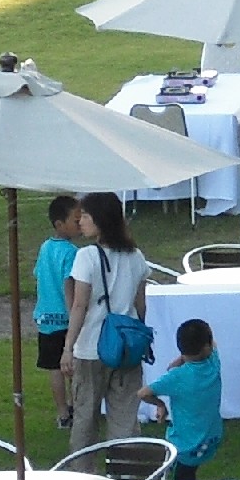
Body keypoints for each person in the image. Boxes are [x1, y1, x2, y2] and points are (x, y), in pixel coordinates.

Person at [62, 191, 150, 448]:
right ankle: (124, 466)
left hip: (91, 346)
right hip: (126, 347)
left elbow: (80, 305)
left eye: (85, 216)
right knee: (125, 418)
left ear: (100, 220)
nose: (80, 221)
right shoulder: (136, 256)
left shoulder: (86, 256)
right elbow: (141, 305)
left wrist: (68, 347)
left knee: (85, 418)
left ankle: (82, 469)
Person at [143, 319, 223, 480]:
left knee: (177, 477)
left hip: (183, 444)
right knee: (186, 475)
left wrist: (160, 404)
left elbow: (143, 393)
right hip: (209, 438)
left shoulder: (176, 377)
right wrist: (183, 358)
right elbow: (213, 344)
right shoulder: (213, 364)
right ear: (206, 347)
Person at [35, 194, 85, 434]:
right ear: (59, 224)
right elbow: (69, 286)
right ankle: (77, 407)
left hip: (45, 318)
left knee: (54, 367)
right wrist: (74, 314)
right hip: (65, 319)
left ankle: (62, 413)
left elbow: (38, 276)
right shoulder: (71, 252)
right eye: (76, 220)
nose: (80, 224)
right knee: (72, 366)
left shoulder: (45, 247)